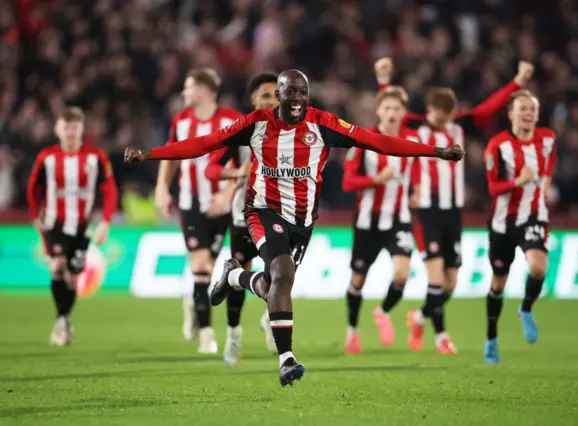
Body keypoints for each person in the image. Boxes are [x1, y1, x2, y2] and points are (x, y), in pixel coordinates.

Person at [124, 69, 464, 386]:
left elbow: (379, 141)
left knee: (273, 283)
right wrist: (151, 154)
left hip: (302, 221)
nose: (298, 99)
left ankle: (234, 277)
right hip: (262, 211)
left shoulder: (324, 124)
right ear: (279, 95)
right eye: (290, 93)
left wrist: (435, 152)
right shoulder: (256, 124)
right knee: (283, 273)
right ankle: (286, 358)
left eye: (303, 92)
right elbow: (204, 144)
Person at [374, 57, 534, 354]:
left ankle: (419, 316)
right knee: (436, 278)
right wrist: (384, 78)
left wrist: (518, 82)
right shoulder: (416, 127)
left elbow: (490, 107)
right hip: (425, 213)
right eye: (439, 115)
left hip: (452, 213)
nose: (443, 120)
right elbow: (390, 107)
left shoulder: (459, 126)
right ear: (430, 111)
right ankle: (441, 336)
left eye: (448, 116)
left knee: (450, 284)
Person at [154, 68, 241, 354]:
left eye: (188, 87)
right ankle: (206, 334)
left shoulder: (231, 121)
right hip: (190, 204)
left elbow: (244, 164)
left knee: (208, 268)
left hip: (221, 207)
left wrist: (227, 195)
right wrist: (162, 189)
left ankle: (194, 303)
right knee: (201, 267)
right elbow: (170, 157)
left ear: (204, 90)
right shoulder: (181, 121)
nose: (184, 92)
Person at [204, 72, 280, 366]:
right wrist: (239, 174)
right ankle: (234, 336)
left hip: (282, 214)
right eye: (265, 95)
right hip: (245, 216)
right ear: (253, 100)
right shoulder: (241, 132)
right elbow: (212, 169)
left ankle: (272, 318)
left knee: (281, 273)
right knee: (239, 277)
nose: (271, 101)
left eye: (276, 95)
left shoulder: (294, 132)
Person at [27, 107, 117, 346]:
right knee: (57, 266)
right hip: (54, 224)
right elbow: (33, 187)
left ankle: (64, 318)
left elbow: (110, 190)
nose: (70, 132)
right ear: (58, 130)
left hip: (82, 227)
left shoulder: (96, 157)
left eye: (75, 128)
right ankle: (61, 321)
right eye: (66, 127)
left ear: (81, 130)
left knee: (73, 277)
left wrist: (105, 222)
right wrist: (36, 215)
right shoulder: (46, 157)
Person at [341, 86, 419, 354]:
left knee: (401, 274)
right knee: (358, 279)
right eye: (387, 108)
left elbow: (417, 171)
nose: (392, 113)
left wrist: (416, 191)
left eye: (397, 108)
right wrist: (375, 180)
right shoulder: (364, 140)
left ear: (404, 113)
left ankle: (383, 311)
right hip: (368, 221)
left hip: (399, 219)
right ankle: (352, 330)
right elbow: (348, 181)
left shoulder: (412, 139)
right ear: (378, 111)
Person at [482, 90, 556, 364]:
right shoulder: (497, 146)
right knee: (498, 282)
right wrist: (517, 182)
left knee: (538, 266)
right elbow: (492, 187)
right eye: (522, 109)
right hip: (502, 223)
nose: (528, 114)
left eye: (532, 109)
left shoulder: (548, 139)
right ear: (511, 113)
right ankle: (491, 338)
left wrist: (546, 180)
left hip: (533, 216)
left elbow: (549, 162)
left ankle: (525, 309)